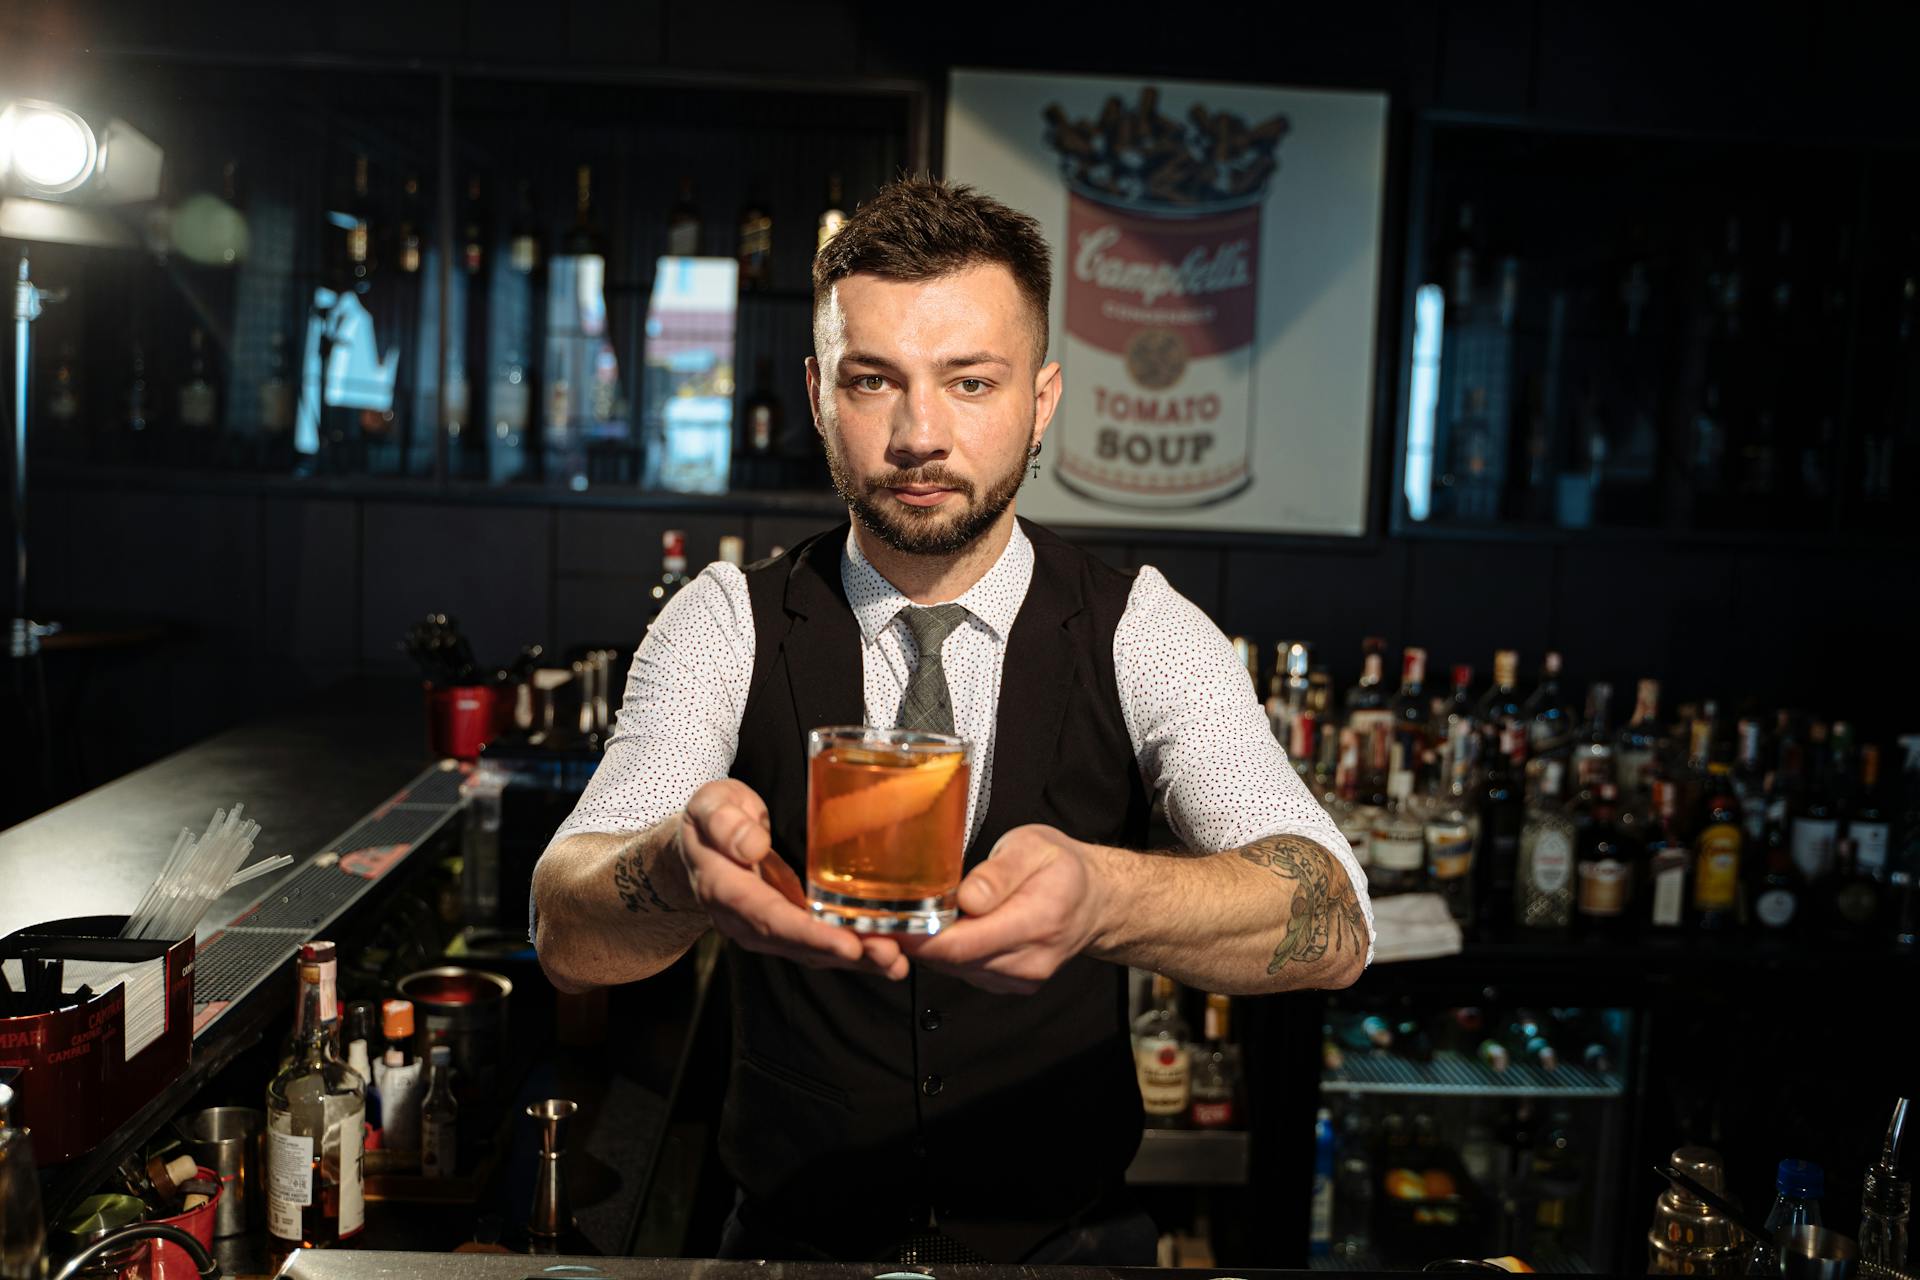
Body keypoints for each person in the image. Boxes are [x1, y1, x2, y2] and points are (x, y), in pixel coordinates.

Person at [531, 176, 1373, 1265]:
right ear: (818, 393)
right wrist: (676, 870)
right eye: (873, 380)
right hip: (791, 1247)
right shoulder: (727, 623)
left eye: (971, 381)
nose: (920, 435)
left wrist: (1108, 893)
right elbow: (562, 929)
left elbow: (1336, 917)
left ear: (1043, 397)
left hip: (1066, 1247)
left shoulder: (1143, 628)